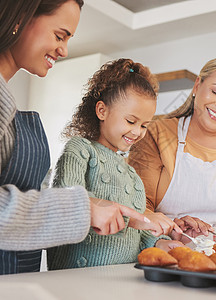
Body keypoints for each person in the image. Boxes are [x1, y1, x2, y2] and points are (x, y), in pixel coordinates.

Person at [0, 0, 158, 281]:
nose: (64, 49)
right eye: (59, 35)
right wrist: (84, 210)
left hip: (4, 278)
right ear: (20, 17)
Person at [47, 58, 183, 270]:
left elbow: (137, 236)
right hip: (77, 279)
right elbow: (67, 205)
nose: (137, 132)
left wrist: (159, 243)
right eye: (131, 121)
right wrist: (141, 218)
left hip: (122, 280)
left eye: (144, 125)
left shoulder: (133, 176)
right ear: (102, 111)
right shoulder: (80, 150)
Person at [128, 56, 216, 242]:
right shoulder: (157, 134)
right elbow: (140, 208)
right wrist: (175, 231)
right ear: (197, 86)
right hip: (169, 256)